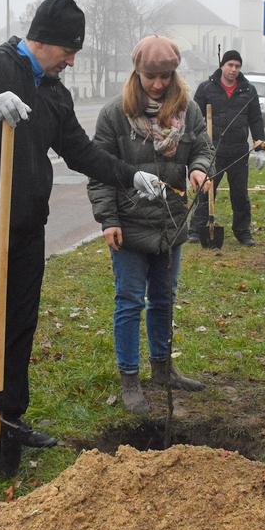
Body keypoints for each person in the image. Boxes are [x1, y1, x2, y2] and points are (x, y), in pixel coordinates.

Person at [0, 0, 163, 480]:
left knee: (18, 327)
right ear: (44, 40)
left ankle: (9, 415)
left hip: (26, 230)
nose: (71, 61)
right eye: (69, 51)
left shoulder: (55, 94)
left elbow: (81, 151)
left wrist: (130, 176)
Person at [87, 35, 213, 413]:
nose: (158, 84)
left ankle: (162, 369)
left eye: (165, 76)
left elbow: (203, 147)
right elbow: (100, 172)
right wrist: (108, 219)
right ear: (136, 72)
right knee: (129, 302)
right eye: (150, 76)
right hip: (128, 226)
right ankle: (130, 379)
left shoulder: (187, 111)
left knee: (163, 299)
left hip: (171, 223)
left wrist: (199, 169)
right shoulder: (115, 114)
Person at [188, 50, 265, 247]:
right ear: (222, 66)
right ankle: (196, 229)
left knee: (240, 194)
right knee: (206, 190)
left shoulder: (248, 90)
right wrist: (193, 144)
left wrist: (260, 147)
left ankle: (242, 231)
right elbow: (194, 118)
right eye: (230, 65)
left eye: (237, 66)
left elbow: (256, 119)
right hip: (213, 151)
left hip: (238, 151)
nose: (233, 69)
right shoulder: (206, 89)